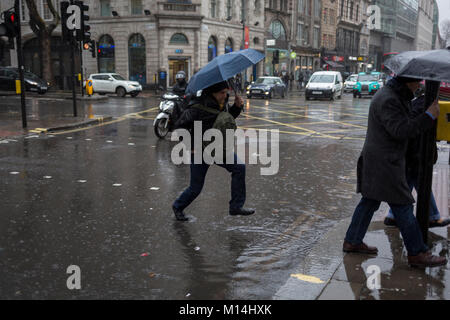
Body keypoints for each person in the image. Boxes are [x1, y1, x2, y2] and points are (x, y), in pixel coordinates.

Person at [343, 75, 447, 268]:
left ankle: (353, 240)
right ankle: (417, 253)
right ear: (408, 82)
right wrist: (429, 116)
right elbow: (400, 130)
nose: (418, 86)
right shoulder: (390, 99)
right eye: (417, 82)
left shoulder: (394, 95)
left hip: (380, 160)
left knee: (369, 202)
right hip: (385, 163)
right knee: (403, 205)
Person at [172, 80, 255, 221]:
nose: (225, 95)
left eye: (226, 92)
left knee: (239, 168)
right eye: (222, 93)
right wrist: (191, 146)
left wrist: (236, 107)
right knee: (195, 188)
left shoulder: (221, 104)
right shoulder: (197, 107)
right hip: (200, 151)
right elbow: (180, 126)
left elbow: (225, 120)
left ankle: (235, 207)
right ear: (213, 93)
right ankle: (178, 206)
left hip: (218, 148)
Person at [384, 93, 450, 228]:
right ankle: (432, 217)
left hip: (414, 152)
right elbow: (413, 125)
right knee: (419, 182)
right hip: (417, 152)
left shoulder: (421, 101)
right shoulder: (424, 103)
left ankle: (392, 216)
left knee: (410, 182)